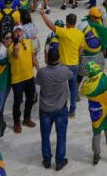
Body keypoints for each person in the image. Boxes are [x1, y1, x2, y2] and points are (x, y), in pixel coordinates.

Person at [41, 8, 86, 117]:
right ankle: (73, 110)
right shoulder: (80, 34)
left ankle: (60, 108)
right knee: (73, 89)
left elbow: (50, 26)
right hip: (75, 65)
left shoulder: (64, 32)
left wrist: (43, 14)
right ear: (75, 22)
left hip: (63, 67)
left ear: (66, 23)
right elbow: (81, 48)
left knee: (60, 89)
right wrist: (78, 56)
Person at [36, 42, 74, 170]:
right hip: (60, 108)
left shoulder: (41, 72)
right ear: (58, 58)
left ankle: (46, 160)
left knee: (45, 135)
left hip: (45, 109)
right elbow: (71, 75)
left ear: (47, 58)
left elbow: (38, 82)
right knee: (61, 135)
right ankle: (59, 161)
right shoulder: (64, 70)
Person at [80, 61, 107, 165]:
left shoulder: (87, 85)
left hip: (96, 115)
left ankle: (96, 156)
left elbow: (81, 92)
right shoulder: (105, 75)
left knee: (96, 134)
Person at [8, 25, 40, 133]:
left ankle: (27, 118)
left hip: (29, 77)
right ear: (13, 33)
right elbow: (15, 55)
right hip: (17, 80)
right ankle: (16, 123)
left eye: (20, 31)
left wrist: (39, 69)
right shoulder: (11, 45)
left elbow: (33, 57)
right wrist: (16, 43)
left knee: (30, 99)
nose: (18, 33)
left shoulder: (29, 42)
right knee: (17, 102)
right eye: (16, 31)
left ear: (23, 32)